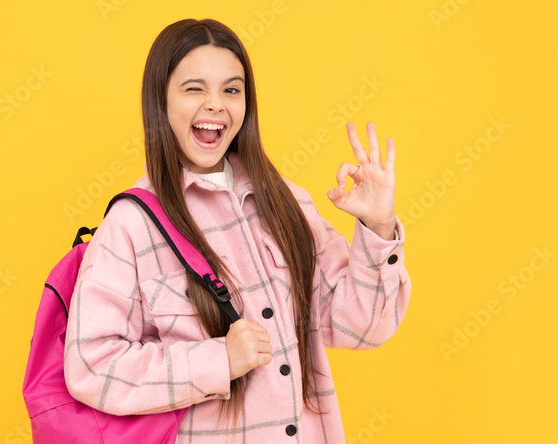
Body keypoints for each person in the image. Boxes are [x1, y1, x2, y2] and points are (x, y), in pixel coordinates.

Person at [62, 18, 411, 442]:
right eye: (194, 89)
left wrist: (376, 226)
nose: (215, 105)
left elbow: (361, 327)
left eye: (231, 89)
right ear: (161, 100)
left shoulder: (286, 201)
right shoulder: (132, 224)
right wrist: (217, 361)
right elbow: (91, 365)